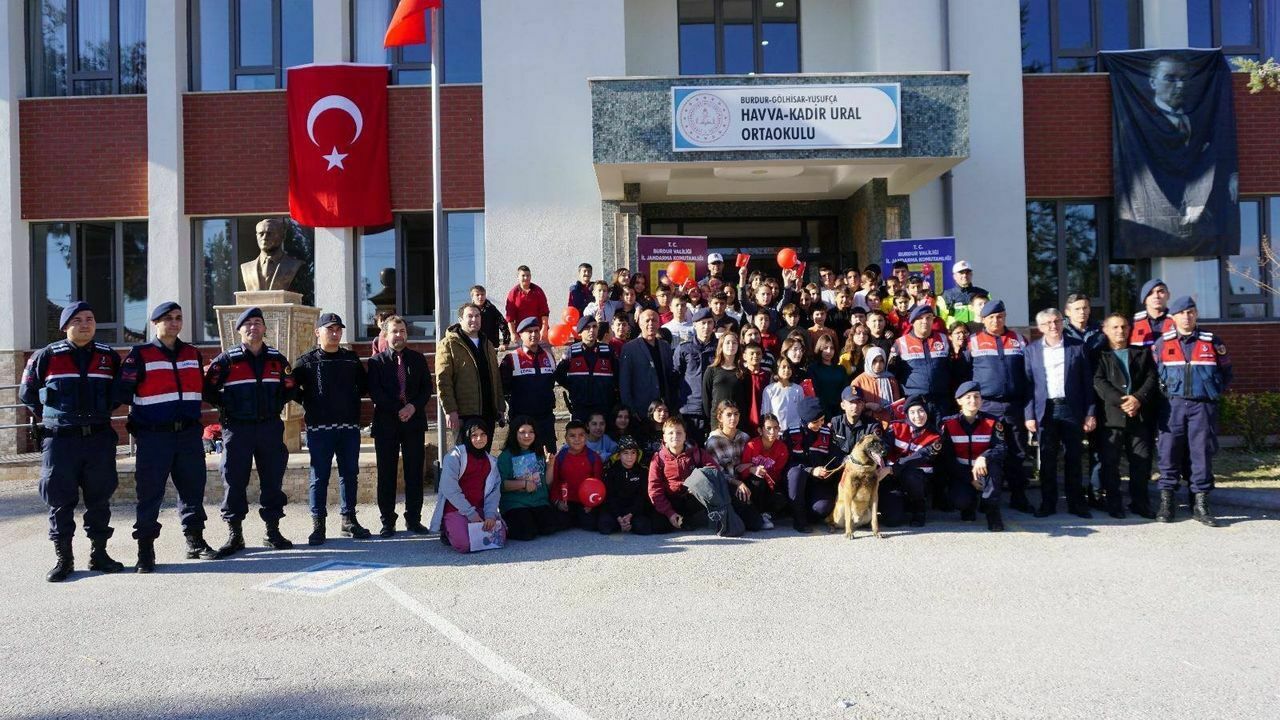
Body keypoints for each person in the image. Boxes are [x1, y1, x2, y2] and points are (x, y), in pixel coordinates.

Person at [21, 301, 125, 581]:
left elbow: (118, 392)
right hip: (60, 442)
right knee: (59, 501)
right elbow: (27, 393)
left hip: (98, 438)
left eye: (90, 319)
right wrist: (56, 417)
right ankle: (64, 559)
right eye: (77, 319)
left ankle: (99, 554)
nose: (85, 324)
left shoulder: (108, 356)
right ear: (65, 326)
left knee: (99, 499)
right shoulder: (46, 355)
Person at [114, 301, 214, 572]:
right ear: (155, 323)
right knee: (149, 494)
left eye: (178, 317)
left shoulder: (193, 353)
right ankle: (145, 550)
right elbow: (122, 393)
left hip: (188, 436)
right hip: (154, 438)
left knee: (193, 489)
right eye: (167, 318)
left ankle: (195, 541)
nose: (174, 322)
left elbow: (204, 390)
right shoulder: (140, 354)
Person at [202, 307, 298, 556]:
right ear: (239, 329)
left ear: (265, 329)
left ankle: (272, 531)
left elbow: (290, 387)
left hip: (269, 427)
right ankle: (235, 535)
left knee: (272, 480)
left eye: (258, 322)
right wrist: (225, 405)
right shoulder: (226, 360)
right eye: (248, 324)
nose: (253, 327)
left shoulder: (277, 359)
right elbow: (208, 389)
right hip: (237, 429)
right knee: (234, 481)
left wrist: (276, 404)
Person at [1151, 296, 1232, 526]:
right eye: (1181, 313)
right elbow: (1156, 375)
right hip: (1172, 405)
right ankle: (1167, 503)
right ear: (1173, 317)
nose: (1186, 317)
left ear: (1196, 314)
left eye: (1191, 312)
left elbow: (1227, 373)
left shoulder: (1212, 341)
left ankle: (1201, 504)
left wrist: (1212, 394)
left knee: (1201, 454)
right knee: (1168, 453)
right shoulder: (1162, 344)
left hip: (1202, 406)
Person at [293, 313, 371, 546]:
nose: (335, 334)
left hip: (348, 428)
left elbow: (364, 386)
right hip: (319, 429)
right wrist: (310, 401)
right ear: (318, 332)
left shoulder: (350, 359)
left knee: (350, 474)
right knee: (319, 477)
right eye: (330, 329)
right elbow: (290, 388)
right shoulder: (306, 361)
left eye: (338, 329)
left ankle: (348, 520)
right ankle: (319, 525)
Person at [1023, 308, 1097, 518]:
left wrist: (1090, 412)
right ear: (1040, 327)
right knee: (1047, 459)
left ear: (1062, 322)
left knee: (1073, 458)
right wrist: (1029, 415)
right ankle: (1048, 503)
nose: (1053, 326)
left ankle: (1076, 504)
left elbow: (1087, 383)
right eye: (1047, 323)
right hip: (1045, 409)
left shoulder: (1077, 347)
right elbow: (1028, 386)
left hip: (1071, 409)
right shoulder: (1032, 351)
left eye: (1056, 321)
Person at [965, 300, 1034, 513]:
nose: (996, 320)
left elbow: (1029, 376)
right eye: (991, 317)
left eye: (1000, 316)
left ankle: (1019, 496)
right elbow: (964, 374)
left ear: (1005, 316)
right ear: (983, 319)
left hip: (1014, 406)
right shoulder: (973, 341)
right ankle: (987, 498)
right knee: (987, 452)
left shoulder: (1019, 340)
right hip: (986, 406)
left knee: (1018, 452)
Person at [367, 315, 431, 537]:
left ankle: (414, 519)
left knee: (414, 473)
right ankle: (388, 522)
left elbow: (426, 389)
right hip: (387, 424)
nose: (399, 335)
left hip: (413, 423)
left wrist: (412, 407)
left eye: (402, 331)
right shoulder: (376, 362)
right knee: (387, 474)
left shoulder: (418, 359)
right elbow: (375, 392)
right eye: (395, 331)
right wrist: (398, 409)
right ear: (386, 334)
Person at [1093, 313, 1159, 519]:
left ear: (1129, 329)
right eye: (1114, 327)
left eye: (1123, 327)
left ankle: (1140, 503)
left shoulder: (1142, 354)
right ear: (1105, 330)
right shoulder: (1099, 356)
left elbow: (1151, 379)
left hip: (1138, 417)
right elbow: (1099, 383)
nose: (1120, 331)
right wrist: (1124, 402)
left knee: (1141, 462)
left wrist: (1137, 399)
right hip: (1112, 419)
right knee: (1110, 463)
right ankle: (1114, 503)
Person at [648, 416, 758, 535]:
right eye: (670, 433)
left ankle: (746, 520)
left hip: (694, 499)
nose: (675, 436)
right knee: (659, 527)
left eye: (679, 433)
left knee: (729, 491)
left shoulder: (697, 453)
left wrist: (698, 485)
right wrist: (669, 513)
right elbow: (655, 489)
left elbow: (714, 471)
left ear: (685, 436)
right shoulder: (658, 459)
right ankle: (681, 520)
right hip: (671, 500)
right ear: (664, 437)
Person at [939, 382, 1007, 531]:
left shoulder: (992, 421)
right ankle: (969, 506)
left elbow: (1001, 447)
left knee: (994, 468)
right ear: (959, 401)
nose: (973, 400)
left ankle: (992, 513)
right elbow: (947, 459)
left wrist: (984, 457)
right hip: (961, 472)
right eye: (968, 397)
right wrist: (970, 478)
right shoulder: (949, 423)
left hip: (984, 470)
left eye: (976, 396)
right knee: (960, 501)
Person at [432, 418, 506, 553]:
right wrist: (470, 514)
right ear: (467, 436)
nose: (479, 439)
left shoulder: (491, 461)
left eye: (483, 434)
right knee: (465, 545)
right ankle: (447, 529)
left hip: (480, 509)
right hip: (457, 508)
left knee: (499, 537)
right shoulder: (454, 457)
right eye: (474, 435)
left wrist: (490, 515)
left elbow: (494, 491)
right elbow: (449, 488)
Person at [437, 303, 505, 435]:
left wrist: (500, 407)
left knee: (484, 455)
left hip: (488, 412)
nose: (474, 319)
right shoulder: (448, 344)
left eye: (477, 316)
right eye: (470, 316)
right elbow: (443, 380)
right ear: (460, 320)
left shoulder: (488, 343)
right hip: (464, 414)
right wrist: (450, 410)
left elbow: (496, 377)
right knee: (464, 455)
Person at [497, 416, 563, 541]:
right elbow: (500, 485)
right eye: (522, 432)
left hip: (539, 502)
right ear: (514, 434)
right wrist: (523, 484)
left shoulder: (539, 453)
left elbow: (547, 484)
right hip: (515, 504)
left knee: (550, 527)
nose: (527, 435)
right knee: (526, 533)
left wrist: (550, 466)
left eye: (531, 432)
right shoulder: (506, 456)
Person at [501, 317, 559, 456]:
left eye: (536, 331)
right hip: (522, 421)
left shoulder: (549, 356)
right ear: (520, 335)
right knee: (522, 463)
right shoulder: (511, 359)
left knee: (548, 459)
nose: (534, 334)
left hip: (545, 420)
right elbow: (502, 389)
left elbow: (550, 384)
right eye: (529, 331)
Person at [883, 395, 942, 527]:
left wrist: (893, 468)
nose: (918, 416)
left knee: (910, 473)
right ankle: (901, 504)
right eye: (913, 412)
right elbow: (884, 446)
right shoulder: (896, 427)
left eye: (921, 411)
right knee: (892, 521)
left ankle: (919, 510)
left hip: (918, 481)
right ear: (907, 415)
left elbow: (922, 456)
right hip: (893, 479)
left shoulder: (935, 437)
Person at [783, 398, 840, 533]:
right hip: (796, 482)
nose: (820, 424)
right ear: (804, 420)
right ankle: (799, 520)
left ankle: (808, 513)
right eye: (815, 422)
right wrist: (810, 470)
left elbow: (835, 456)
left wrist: (831, 467)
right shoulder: (791, 434)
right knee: (796, 473)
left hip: (818, 482)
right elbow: (788, 464)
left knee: (822, 508)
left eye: (822, 420)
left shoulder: (827, 432)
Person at [889, 305, 952, 417]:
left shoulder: (944, 339)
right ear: (912, 322)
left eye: (928, 317)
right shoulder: (900, 343)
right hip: (915, 403)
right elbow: (892, 374)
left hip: (942, 401)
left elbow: (952, 368)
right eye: (920, 318)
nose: (925, 321)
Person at [554, 315, 618, 423]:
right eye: (587, 328)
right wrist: (573, 386)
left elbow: (618, 374)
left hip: (603, 406)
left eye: (594, 327)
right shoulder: (572, 351)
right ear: (580, 332)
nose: (591, 330)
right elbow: (558, 375)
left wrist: (609, 388)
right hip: (580, 406)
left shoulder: (608, 350)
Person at [673, 308, 718, 444]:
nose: (706, 327)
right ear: (695, 325)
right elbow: (675, 377)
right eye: (702, 323)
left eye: (709, 322)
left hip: (713, 408)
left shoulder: (720, 348)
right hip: (690, 408)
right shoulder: (684, 349)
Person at [550, 421, 606, 530]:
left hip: (585, 503)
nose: (577, 439)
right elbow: (555, 481)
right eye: (572, 436)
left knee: (591, 524)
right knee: (557, 523)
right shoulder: (560, 457)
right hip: (566, 502)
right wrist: (557, 502)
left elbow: (598, 483)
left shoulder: (593, 457)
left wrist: (592, 504)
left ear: (586, 437)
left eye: (581, 435)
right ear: (566, 438)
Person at [619, 308, 674, 417]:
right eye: (647, 320)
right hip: (641, 408)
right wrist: (631, 409)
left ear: (659, 324)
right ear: (639, 323)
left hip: (663, 409)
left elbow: (669, 377)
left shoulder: (665, 347)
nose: (651, 324)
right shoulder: (630, 348)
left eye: (654, 321)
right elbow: (624, 381)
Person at [599, 436, 660, 535]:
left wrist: (631, 514)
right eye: (625, 453)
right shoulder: (611, 471)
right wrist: (618, 516)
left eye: (633, 453)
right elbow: (609, 496)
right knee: (605, 526)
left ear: (638, 454)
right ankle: (622, 523)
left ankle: (627, 523)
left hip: (634, 511)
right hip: (615, 510)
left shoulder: (642, 471)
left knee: (644, 527)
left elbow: (642, 496)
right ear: (619, 455)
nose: (630, 457)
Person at [702, 332, 749, 426]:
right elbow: (706, 399)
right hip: (718, 422)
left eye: (734, 343)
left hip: (737, 422)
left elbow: (747, 400)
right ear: (721, 346)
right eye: (727, 342)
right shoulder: (711, 370)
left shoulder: (744, 372)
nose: (731, 345)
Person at [852, 346, 903, 423]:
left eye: (881, 361)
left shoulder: (890, 379)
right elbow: (852, 406)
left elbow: (897, 404)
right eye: (874, 361)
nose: (878, 365)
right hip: (867, 424)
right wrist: (868, 405)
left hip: (890, 423)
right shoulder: (858, 381)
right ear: (868, 361)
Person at [808, 334, 851, 419]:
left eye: (832, 348)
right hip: (821, 413)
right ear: (820, 349)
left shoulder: (840, 369)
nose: (829, 351)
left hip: (840, 412)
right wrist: (825, 414)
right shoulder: (813, 369)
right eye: (825, 348)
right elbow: (816, 393)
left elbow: (845, 390)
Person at [505, 265, 550, 344]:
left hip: (538, 333)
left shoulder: (538, 291)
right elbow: (510, 317)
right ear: (518, 277)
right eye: (523, 276)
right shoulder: (513, 293)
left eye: (528, 275)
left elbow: (545, 312)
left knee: (544, 355)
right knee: (525, 356)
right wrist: (512, 333)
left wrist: (544, 329)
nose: (526, 278)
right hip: (522, 335)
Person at [938, 260, 988, 328]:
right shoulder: (945, 296)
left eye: (967, 272)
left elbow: (990, 315)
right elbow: (941, 321)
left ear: (971, 274)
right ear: (954, 276)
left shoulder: (984, 294)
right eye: (961, 273)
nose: (965, 275)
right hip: (956, 335)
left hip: (978, 333)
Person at [761, 357, 805, 431]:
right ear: (777, 369)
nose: (786, 370)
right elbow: (765, 412)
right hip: (776, 432)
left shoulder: (798, 389)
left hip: (795, 430)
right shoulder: (769, 389)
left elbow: (802, 411)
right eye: (783, 367)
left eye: (789, 367)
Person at [1130, 278, 1173, 348]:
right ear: (1144, 299)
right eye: (1150, 293)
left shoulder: (1178, 320)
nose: (1156, 296)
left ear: (1168, 295)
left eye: (1161, 292)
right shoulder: (1133, 323)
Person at [470, 285, 511, 350]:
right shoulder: (468, 311)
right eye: (477, 295)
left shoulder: (491, 309)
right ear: (472, 297)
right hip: (474, 346)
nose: (480, 297)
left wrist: (505, 342)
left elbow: (503, 324)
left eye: (482, 294)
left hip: (491, 346)